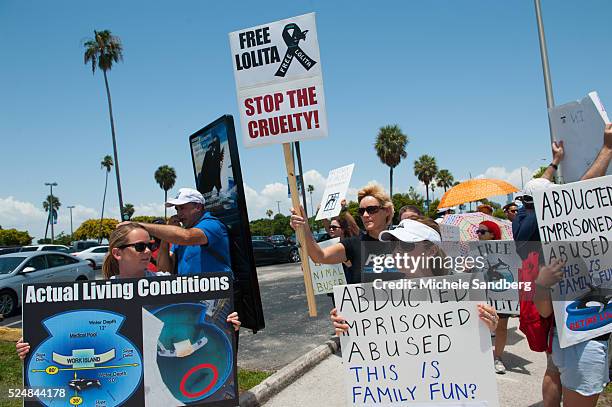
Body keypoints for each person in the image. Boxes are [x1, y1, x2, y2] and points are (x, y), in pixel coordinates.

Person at [16, 223, 241, 360]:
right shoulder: (100, 295)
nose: (147, 251)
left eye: (150, 246)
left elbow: (200, 319)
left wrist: (225, 320)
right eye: (140, 247)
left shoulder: (168, 285)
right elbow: (77, 341)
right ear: (117, 253)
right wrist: (32, 346)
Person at [331, 215, 501, 336]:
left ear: (431, 250)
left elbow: (474, 336)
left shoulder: (461, 287)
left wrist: (489, 324)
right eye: (393, 244)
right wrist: (348, 324)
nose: (397, 251)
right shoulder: (384, 290)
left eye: (405, 245)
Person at [290, 183, 394, 284]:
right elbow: (319, 256)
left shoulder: (404, 243)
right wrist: (304, 228)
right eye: (361, 211)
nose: (365, 215)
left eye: (372, 209)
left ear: (387, 210)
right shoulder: (353, 244)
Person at [124, 188, 231, 276]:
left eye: (182, 208)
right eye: (177, 209)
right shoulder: (180, 236)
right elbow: (164, 270)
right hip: (192, 296)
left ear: (198, 207)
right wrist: (166, 237)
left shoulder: (212, 224)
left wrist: (140, 226)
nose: (179, 214)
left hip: (216, 296)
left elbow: (187, 237)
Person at [477, 220, 509, 374]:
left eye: (482, 232)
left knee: (501, 327)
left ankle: (498, 358)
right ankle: (480, 357)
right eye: (478, 231)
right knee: (480, 324)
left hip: (501, 293)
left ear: (492, 234)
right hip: (481, 293)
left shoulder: (506, 251)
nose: (478, 235)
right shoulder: (474, 251)